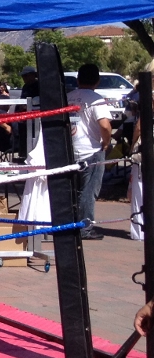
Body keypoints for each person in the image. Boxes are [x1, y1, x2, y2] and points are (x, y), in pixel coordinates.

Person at [68, 63, 113, 240]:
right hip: (91, 150)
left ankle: (70, 223)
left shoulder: (69, 97)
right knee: (89, 191)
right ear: (98, 81)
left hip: (71, 149)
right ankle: (84, 228)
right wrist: (106, 142)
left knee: (73, 189)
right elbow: (105, 124)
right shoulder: (96, 99)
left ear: (78, 79)